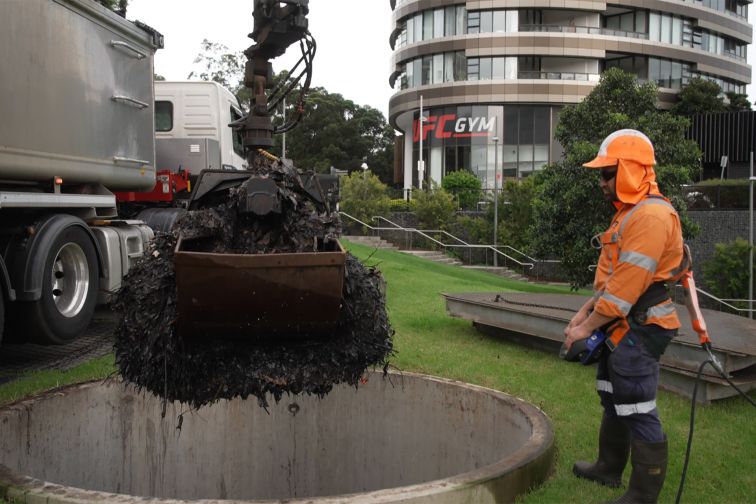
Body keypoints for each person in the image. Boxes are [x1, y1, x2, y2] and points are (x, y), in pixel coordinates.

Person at [563, 129, 684, 504]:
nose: (601, 182)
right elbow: (608, 284)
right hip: (622, 323)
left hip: (642, 326)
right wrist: (579, 316)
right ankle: (608, 469)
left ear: (630, 170)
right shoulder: (628, 215)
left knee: (637, 404)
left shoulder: (651, 217)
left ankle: (642, 496)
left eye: (607, 173)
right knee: (613, 396)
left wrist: (584, 328)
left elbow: (623, 292)